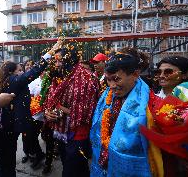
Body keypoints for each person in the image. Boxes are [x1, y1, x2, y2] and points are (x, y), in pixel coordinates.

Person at [0, 39, 64, 177]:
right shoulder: (13, 80)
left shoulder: (6, 81)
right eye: (19, 70)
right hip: (6, 129)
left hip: (7, 127)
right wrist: (51, 51)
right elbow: (34, 71)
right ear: (12, 72)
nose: (22, 73)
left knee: (8, 163)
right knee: (7, 164)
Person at [90, 47, 158, 177]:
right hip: (104, 160)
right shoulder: (107, 95)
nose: (111, 86)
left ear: (135, 74)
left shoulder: (151, 103)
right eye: (108, 80)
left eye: (116, 79)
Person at [44, 46, 100, 177]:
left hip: (78, 134)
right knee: (76, 166)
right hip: (61, 131)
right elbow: (49, 101)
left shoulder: (87, 80)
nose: (56, 64)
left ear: (70, 60)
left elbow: (85, 114)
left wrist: (58, 107)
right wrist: (48, 112)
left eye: (59, 61)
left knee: (71, 170)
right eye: (55, 61)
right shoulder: (58, 77)